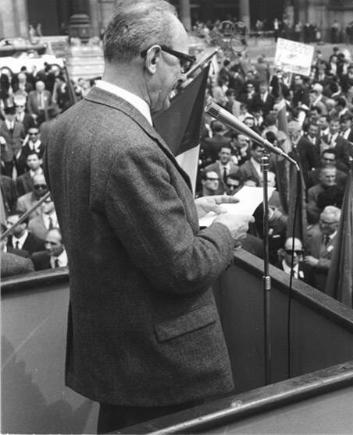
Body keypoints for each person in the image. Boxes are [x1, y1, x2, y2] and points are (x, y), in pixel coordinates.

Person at [43, 3, 252, 432]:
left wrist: (188, 209)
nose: (183, 78)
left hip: (115, 356)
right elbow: (184, 268)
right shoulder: (129, 145)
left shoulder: (65, 126)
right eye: (184, 62)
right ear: (154, 58)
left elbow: (110, 222)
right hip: (161, 368)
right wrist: (225, 231)